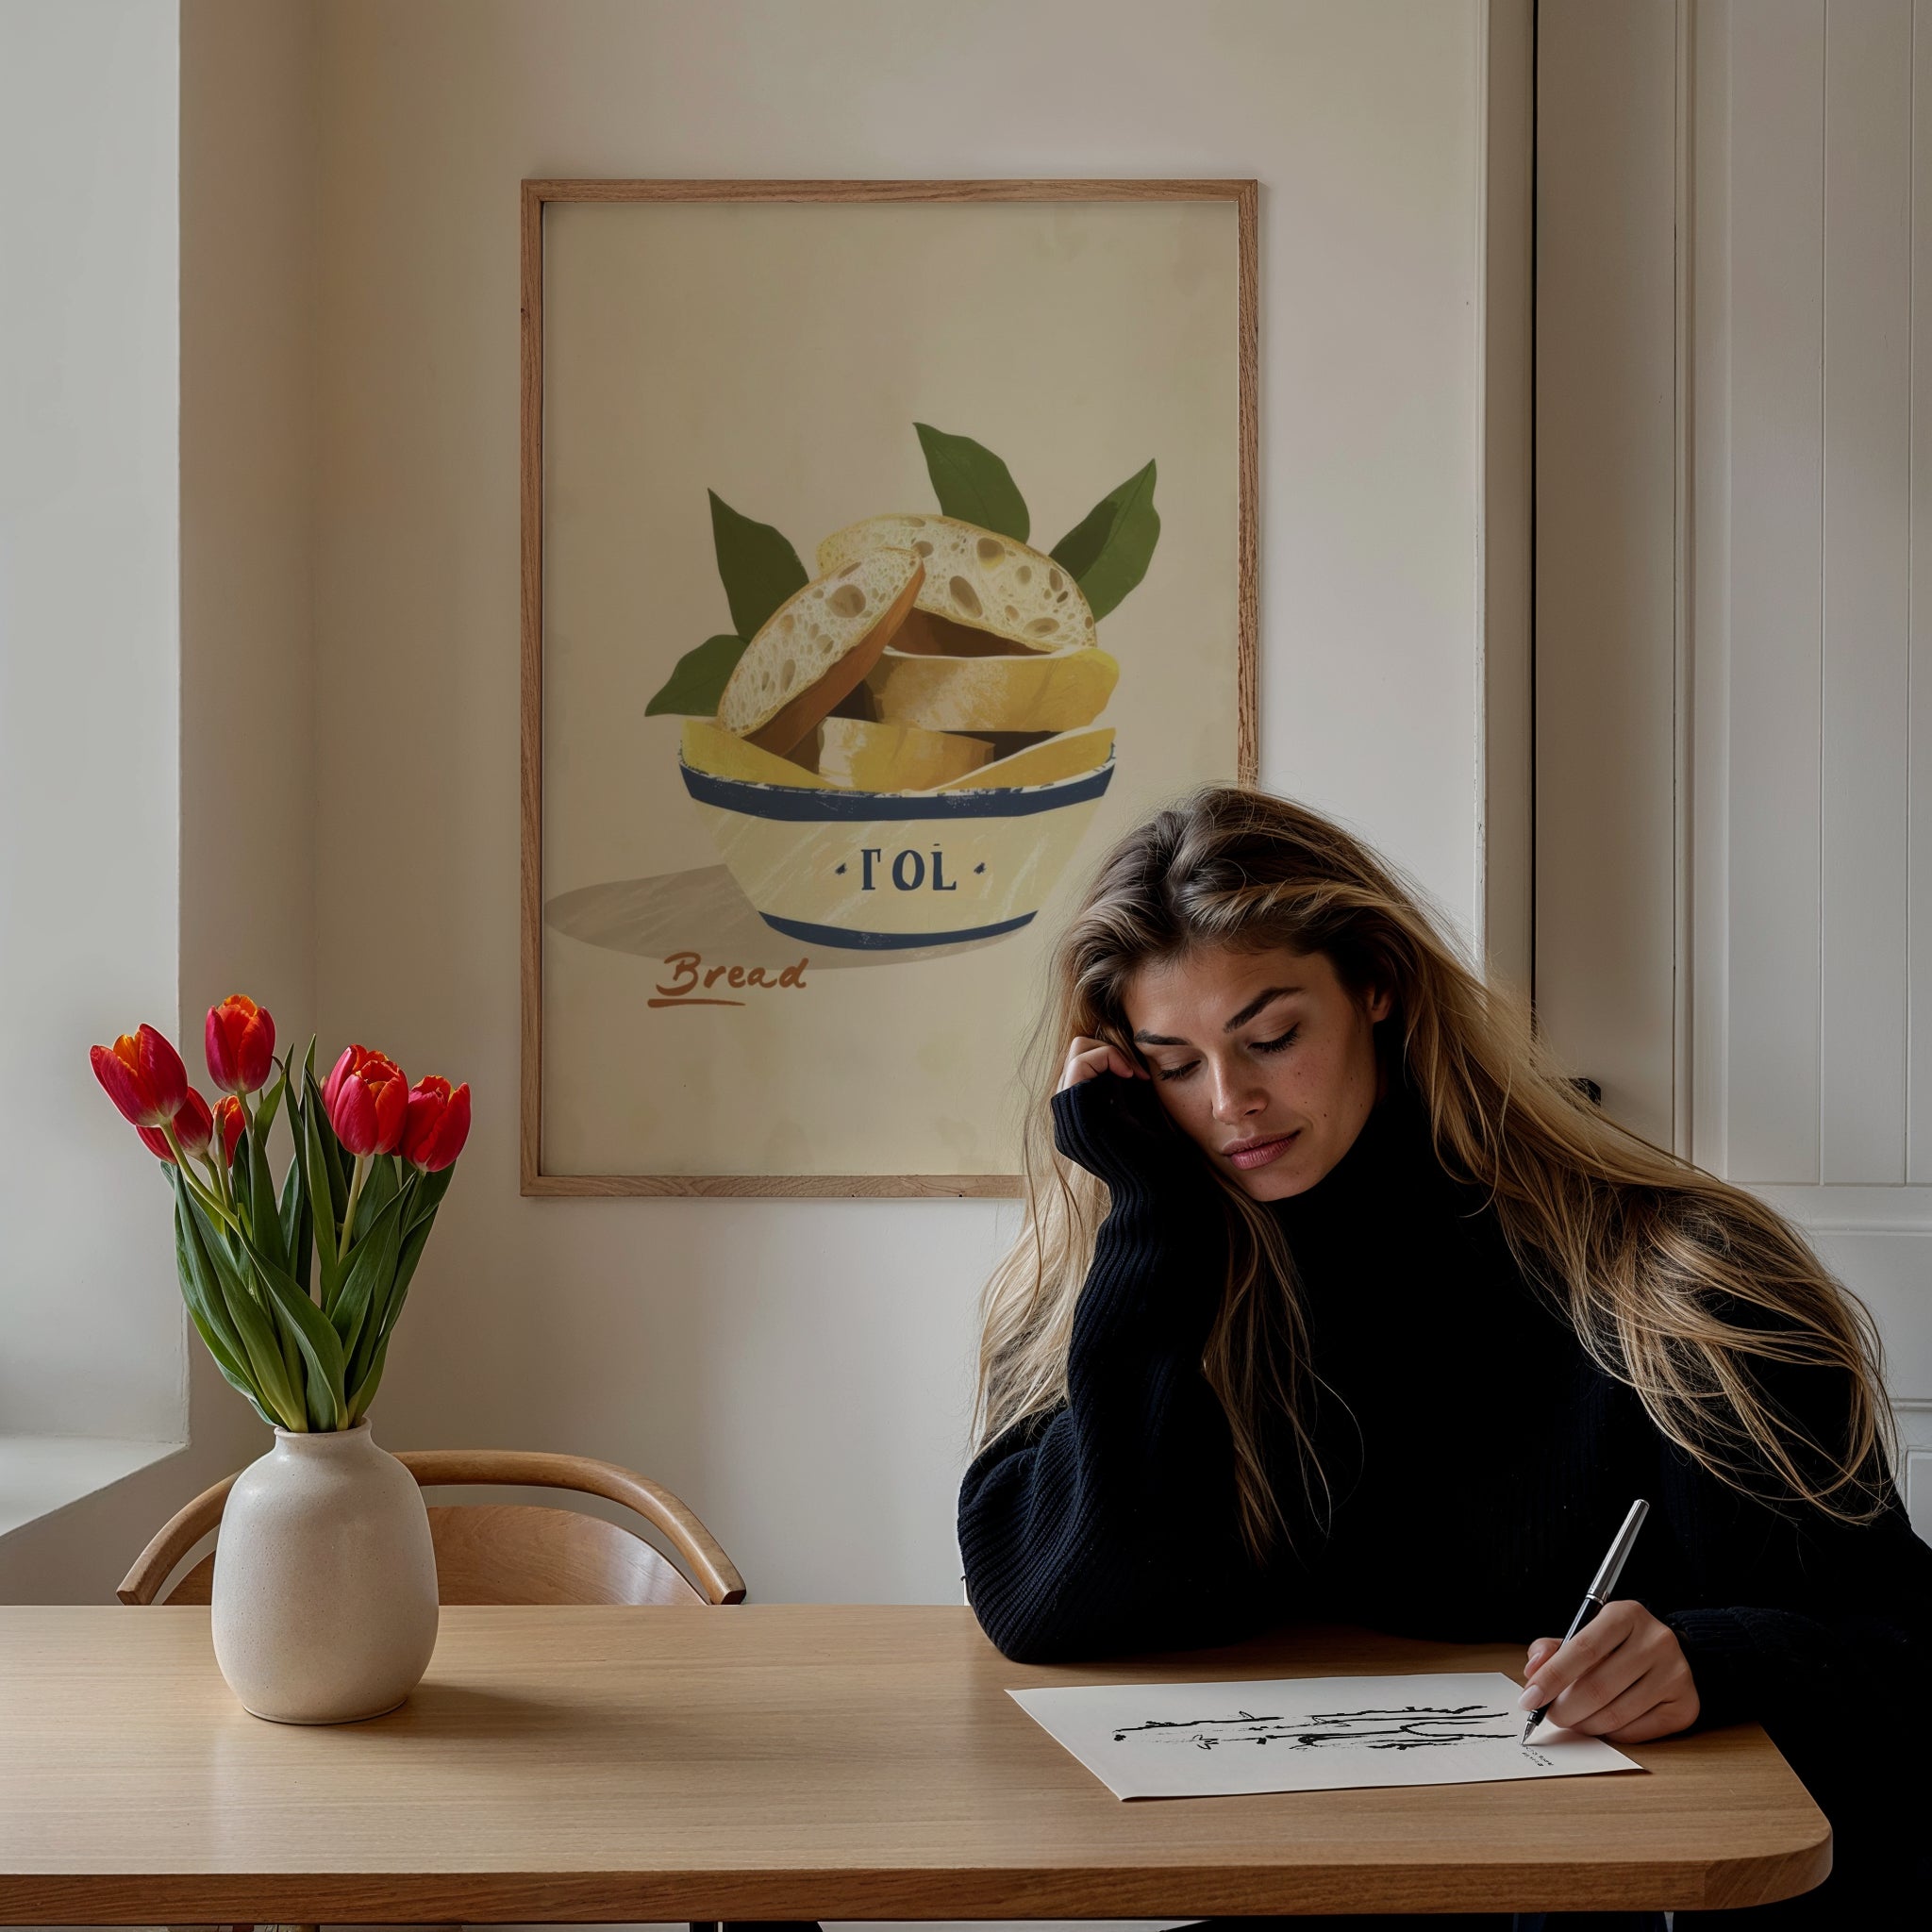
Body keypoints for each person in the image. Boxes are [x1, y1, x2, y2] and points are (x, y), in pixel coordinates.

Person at [958, 787, 1931, 1929]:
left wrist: (1717, 1658)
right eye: (1173, 1064)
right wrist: (1150, 1224)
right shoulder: (1138, 1275)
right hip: (1304, 1891)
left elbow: (1901, 1646)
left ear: (1376, 983)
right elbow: (1044, 1604)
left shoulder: (1676, 1285)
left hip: (1588, 1907)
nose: (1231, 1103)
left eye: (1271, 1037)